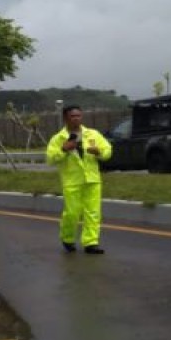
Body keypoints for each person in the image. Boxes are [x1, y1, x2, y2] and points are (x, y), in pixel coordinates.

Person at [45, 104, 112, 254]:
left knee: (93, 212)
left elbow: (108, 151)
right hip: (72, 181)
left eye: (78, 116)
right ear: (65, 118)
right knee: (72, 213)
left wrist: (99, 151)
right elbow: (50, 158)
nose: (76, 119)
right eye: (72, 116)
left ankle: (91, 242)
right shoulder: (58, 138)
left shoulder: (93, 134)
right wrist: (64, 150)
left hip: (92, 180)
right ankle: (67, 238)